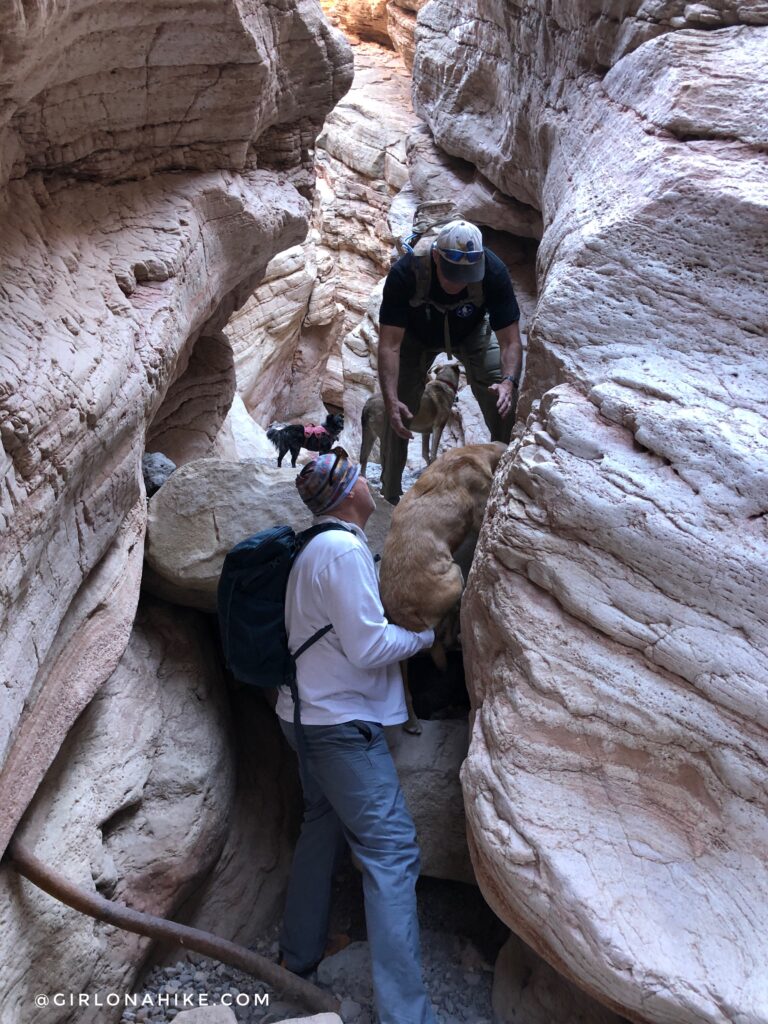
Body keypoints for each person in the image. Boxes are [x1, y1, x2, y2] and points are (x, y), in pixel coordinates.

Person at [275, 448, 438, 1024]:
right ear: (348, 495)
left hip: (303, 717)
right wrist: (423, 637)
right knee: (392, 854)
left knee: (320, 826)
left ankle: (297, 959)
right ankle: (406, 1016)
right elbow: (370, 648)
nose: (369, 483)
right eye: (361, 478)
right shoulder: (343, 550)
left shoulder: (310, 549)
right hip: (339, 728)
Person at [378, 218, 523, 503]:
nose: (459, 282)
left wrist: (508, 382)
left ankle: (503, 482)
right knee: (398, 407)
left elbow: (510, 341)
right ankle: (390, 493)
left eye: (468, 274)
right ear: (436, 255)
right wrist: (390, 398)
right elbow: (390, 345)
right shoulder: (406, 273)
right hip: (415, 336)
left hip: (471, 331)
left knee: (501, 393)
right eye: (453, 273)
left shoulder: (493, 272)